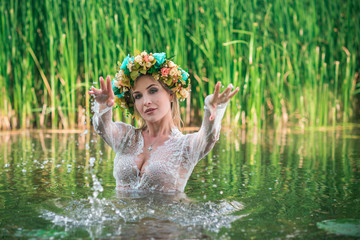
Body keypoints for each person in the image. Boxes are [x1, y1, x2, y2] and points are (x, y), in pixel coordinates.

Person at [89, 51, 239, 192]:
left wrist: (212, 108)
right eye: (138, 96)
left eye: (153, 90)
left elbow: (208, 137)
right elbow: (103, 127)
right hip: (121, 219)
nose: (146, 101)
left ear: (171, 95)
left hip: (165, 218)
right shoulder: (126, 137)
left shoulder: (185, 147)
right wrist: (103, 107)